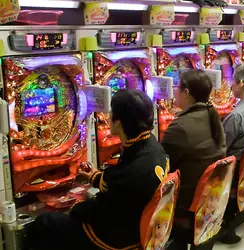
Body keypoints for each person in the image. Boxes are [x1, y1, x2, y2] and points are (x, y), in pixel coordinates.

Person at [27, 89, 168, 250]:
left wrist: (73, 207)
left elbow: (102, 213)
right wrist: (93, 177)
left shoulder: (133, 171)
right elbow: (121, 182)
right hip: (139, 227)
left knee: (45, 222)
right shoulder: (153, 146)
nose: (107, 117)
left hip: (119, 237)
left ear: (119, 122)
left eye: (111, 113)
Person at [162, 69, 227, 214]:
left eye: (177, 88)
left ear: (185, 92)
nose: (174, 92)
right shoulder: (211, 114)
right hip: (209, 190)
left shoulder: (180, 127)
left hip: (187, 197)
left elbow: (163, 167)